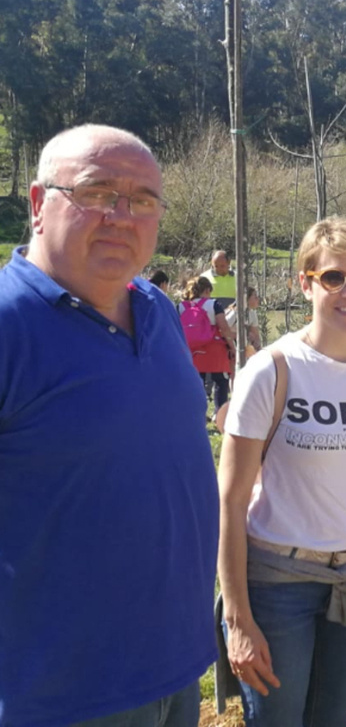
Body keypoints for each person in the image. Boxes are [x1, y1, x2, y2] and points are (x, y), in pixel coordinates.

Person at [0, 124, 218, 725]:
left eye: (143, 200)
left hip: (175, 667)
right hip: (62, 693)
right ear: (40, 204)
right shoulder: (8, 325)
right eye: (97, 192)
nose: (123, 216)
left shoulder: (157, 310)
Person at [218, 216, 346, 726]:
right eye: (334, 277)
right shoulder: (273, 370)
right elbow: (231, 501)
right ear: (304, 283)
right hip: (278, 586)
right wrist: (237, 619)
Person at [180, 275, 236, 413]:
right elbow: (224, 327)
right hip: (214, 348)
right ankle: (219, 413)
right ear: (206, 290)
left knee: (197, 382)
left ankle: (197, 413)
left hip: (192, 350)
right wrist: (232, 346)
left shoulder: (181, 307)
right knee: (220, 382)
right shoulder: (213, 304)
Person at [226, 285, 263, 355]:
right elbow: (222, 330)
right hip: (229, 350)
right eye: (255, 296)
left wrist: (259, 349)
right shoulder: (234, 312)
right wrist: (244, 334)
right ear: (246, 298)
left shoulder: (252, 313)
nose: (257, 299)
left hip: (244, 349)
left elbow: (256, 336)